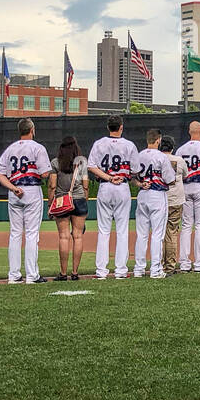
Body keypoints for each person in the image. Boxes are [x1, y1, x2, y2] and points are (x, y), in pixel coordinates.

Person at [0, 117, 51, 284]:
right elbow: (44, 174)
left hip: (14, 191)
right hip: (32, 190)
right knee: (32, 234)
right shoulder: (37, 147)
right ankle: (32, 275)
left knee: (15, 234)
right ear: (32, 130)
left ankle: (14, 275)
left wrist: (12, 187)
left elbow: (0, 174)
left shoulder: (10, 149)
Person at [87, 116, 136, 280]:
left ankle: (101, 271)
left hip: (105, 187)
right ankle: (121, 271)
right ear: (121, 127)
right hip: (122, 187)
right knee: (122, 230)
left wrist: (108, 177)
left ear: (109, 127)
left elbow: (91, 166)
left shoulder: (99, 143)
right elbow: (135, 169)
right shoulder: (129, 145)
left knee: (104, 230)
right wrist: (122, 175)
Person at [132, 128, 175, 279]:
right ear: (158, 140)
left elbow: (132, 176)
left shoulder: (139, 155)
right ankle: (156, 270)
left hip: (143, 195)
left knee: (142, 234)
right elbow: (170, 179)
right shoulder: (162, 157)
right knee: (158, 235)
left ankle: (139, 269)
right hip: (157, 195)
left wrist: (140, 184)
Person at [49, 136, 89, 280]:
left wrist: (50, 203)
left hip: (61, 200)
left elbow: (52, 186)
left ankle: (63, 273)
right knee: (78, 236)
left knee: (63, 237)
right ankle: (75, 273)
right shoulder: (82, 162)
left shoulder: (55, 162)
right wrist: (85, 200)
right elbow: (85, 185)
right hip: (79, 199)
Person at [176, 122, 200, 273]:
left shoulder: (180, 149)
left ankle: (184, 264)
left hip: (185, 187)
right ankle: (199, 264)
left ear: (189, 132)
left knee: (186, 225)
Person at [159, 136, 189, 273]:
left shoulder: (156, 158)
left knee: (158, 233)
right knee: (172, 232)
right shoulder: (179, 160)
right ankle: (169, 266)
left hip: (159, 198)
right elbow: (185, 176)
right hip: (176, 199)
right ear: (172, 147)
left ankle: (157, 265)